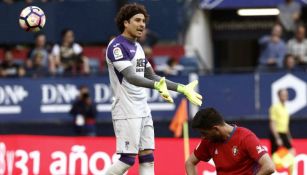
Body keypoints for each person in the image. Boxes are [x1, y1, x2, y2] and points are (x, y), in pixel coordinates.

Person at [105, 3, 202, 175]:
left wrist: (182, 88)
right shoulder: (116, 46)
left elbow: (152, 76)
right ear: (125, 23)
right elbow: (131, 77)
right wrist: (157, 86)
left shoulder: (138, 47)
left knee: (147, 157)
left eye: (143, 21)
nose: (142, 24)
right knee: (127, 160)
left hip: (142, 108)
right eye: (137, 20)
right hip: (126, 109)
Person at [185, 108, 275, 175]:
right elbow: (190, 163)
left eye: (204, 133)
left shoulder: (245, 137)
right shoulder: (208, 141)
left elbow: (269, 166)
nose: (202, 136)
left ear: (215, 129)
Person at [269, 89, 295, 174]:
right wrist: (277, 138)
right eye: (283, 95)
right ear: (279, 96)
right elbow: (272, 123)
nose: (285, 96)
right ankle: (270, 172)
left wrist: (289, 137)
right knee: (273, 155)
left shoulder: (286, 108)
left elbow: (286, 125)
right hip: (277, 134)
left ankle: (289, 172)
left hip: (284, 134)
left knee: (292, 152)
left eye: (286, 95)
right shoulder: (274, 107)